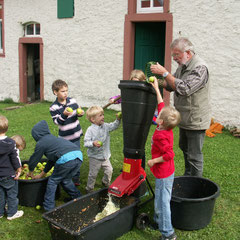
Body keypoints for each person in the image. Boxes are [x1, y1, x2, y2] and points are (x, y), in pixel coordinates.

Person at [151, 37, 211, 177]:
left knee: (194, 155)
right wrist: (156, 82)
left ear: (188, 53)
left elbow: (185, 88)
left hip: (195, 120)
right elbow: (173, 85)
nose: (174, 58)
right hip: (183, 118)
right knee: (184, 148)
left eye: (176, 55)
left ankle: (196, 186)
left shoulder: (200, 68)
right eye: (173, 55)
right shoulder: (182, 67)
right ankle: (188, 177)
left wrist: (165, 73)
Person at [147, 79, 181, 240]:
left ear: (160, 121)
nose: (158, 111)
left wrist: (154, 161)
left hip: (164, 173)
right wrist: (156, 88)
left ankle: (168, 233)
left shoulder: (162, 135)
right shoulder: (164, 124)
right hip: (165, 173)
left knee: (163, 202)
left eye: (159, 114)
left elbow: (169, 155)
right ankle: (158, 222)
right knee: (160, 198)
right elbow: (162, 105)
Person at [27, 120, 83, 211]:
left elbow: (35, 158)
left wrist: (30, 171)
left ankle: (48, 207)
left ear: (36, 135)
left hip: (66, 159)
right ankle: (78, 197)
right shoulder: (54, 140)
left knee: (52, 181)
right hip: (78, 156)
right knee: (66, 179)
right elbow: (51, 160)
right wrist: (42, 174)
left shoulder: (41, 142)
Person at [50, 79, 84, 185]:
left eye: (66, 91)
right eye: (62, 91)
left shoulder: (72, 101)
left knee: (77, 157)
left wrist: (80, 113)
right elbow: (57, 122)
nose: (65, 93)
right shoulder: (54, 107)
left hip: (76, 134)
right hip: (65, 139)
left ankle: (75, 179)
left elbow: (78, 111)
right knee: (66, 158)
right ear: (55, 92)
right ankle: (64, 176)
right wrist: (64, 114)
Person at [84, 106, 121, 193]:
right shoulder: (90, 130)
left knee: (109, 170)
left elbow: (114, 126)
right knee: (93, 174)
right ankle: (89, 188)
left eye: (103, 115)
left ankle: (105, 182)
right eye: (100, 115)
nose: (103, 117)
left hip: (105, 156)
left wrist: (118, 120)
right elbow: (86, 143)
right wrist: (93, 143)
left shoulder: (105, 126)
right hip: (95, 157)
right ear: (93, 119)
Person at [0, 116, 24, 220]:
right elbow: (14, 158)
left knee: (0, 195)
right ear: (7, 128)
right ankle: (12, 213)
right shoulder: (10, 143)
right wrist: (18, 170)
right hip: (9, 175)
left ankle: (0, 213)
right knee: (12, 194)